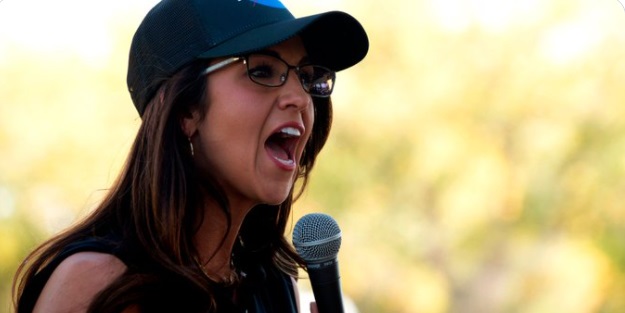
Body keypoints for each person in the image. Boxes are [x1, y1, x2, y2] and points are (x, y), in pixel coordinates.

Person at [12, 0, 368, 312]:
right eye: (262, 70)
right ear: (185, 110)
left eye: (307, 77)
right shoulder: (97, 283)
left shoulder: (275, 288)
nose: (302, 98)